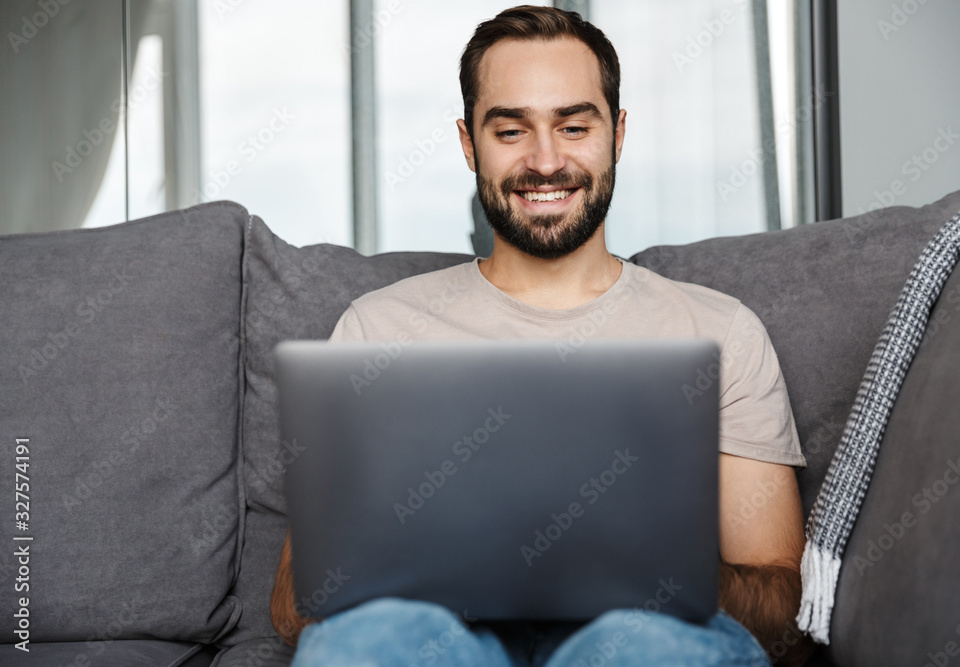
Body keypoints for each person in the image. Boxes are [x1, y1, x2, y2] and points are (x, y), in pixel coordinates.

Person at [271, 6, 812, 665]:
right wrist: (468, 563)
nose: (546, 161)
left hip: (643, 634)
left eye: (574, 126)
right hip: (442, 642)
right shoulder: (377, 330)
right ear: (470, 145)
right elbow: (296, 601)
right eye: (510, 130)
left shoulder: (719, 332)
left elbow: (780, 603)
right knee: (364, 644)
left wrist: (623, 570)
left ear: (617, 133)